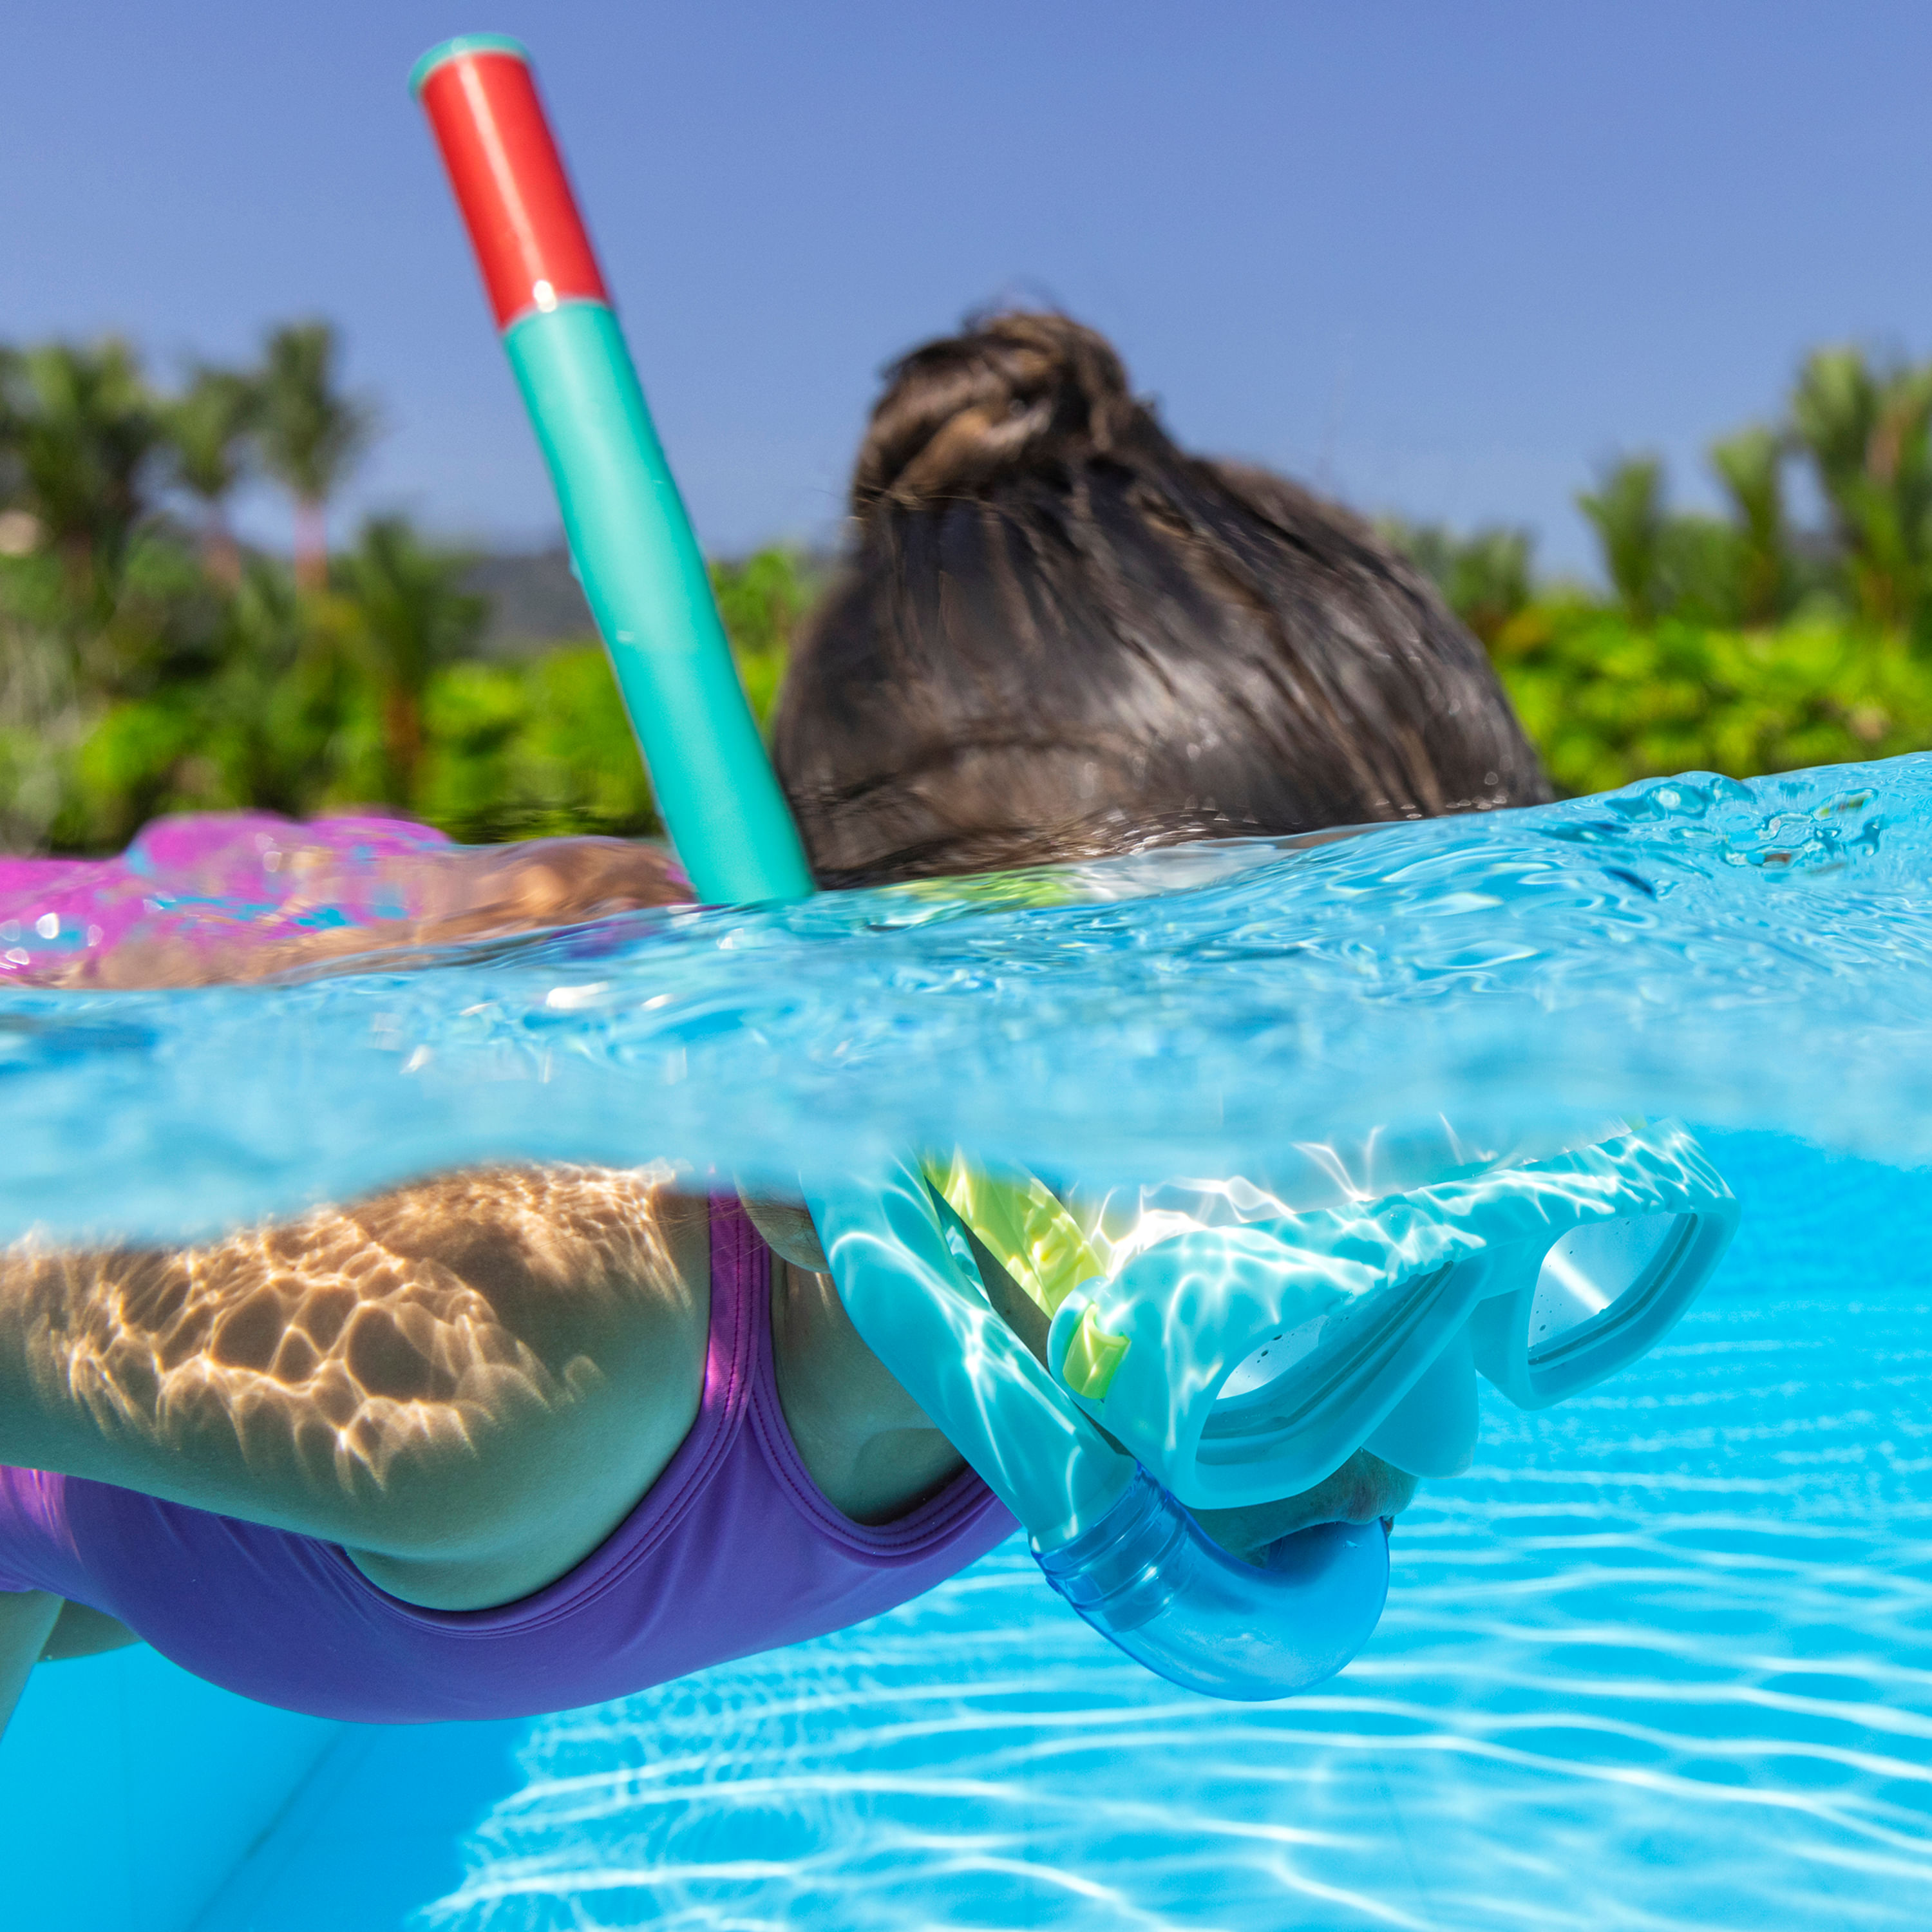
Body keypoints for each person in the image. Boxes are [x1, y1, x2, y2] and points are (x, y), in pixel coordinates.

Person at [0, 312, 1551, 1732]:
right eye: (1289, 1246)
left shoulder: (1026, 1334)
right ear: (835, 1156)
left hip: (165, 1523)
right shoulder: (522, 1364)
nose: (1439, 1431)